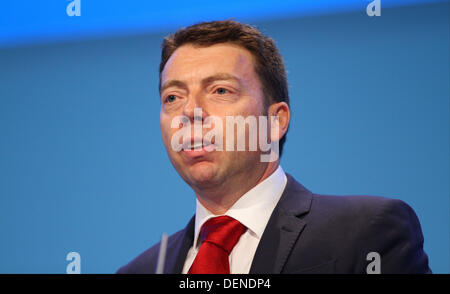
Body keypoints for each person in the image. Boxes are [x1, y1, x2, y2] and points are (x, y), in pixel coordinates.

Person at [116, 20, 431, 274]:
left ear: (275, 120)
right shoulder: (139, 270)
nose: (189, 111)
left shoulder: (366, 233)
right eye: (172, 97)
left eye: (220, 90)